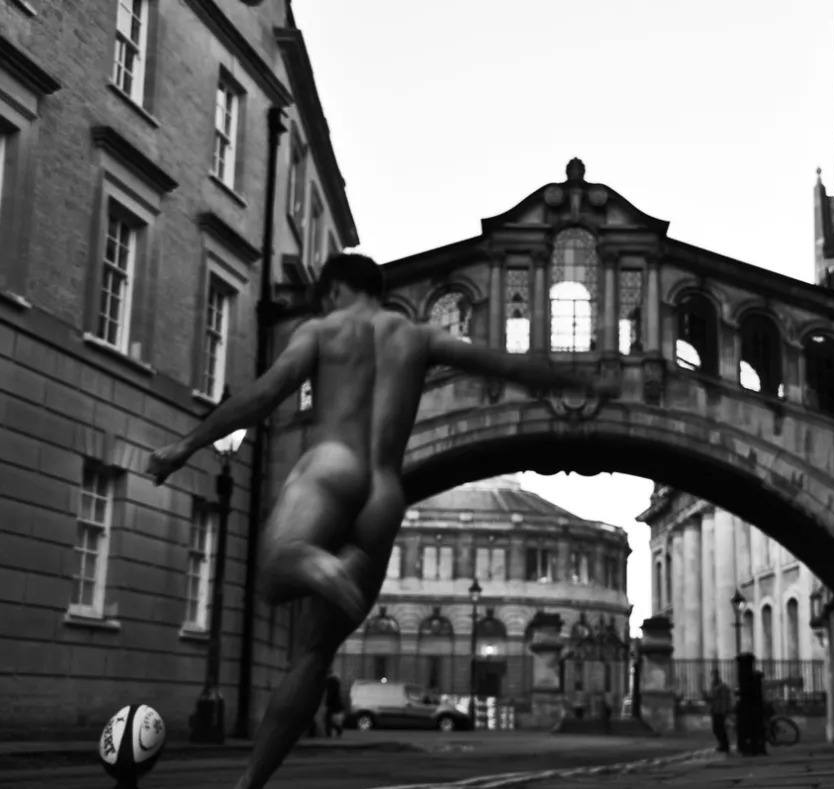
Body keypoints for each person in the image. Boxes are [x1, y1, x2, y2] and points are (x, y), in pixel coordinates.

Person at [145, 253, 612, 789]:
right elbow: (507, 365)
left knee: (274, 574)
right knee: (314, 654)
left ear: (333, 291)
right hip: (385, 492)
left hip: (333, 465)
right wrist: (581, 382)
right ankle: (250, 782)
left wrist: (185, 446)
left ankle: (319, 565)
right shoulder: (417, 335)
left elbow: (265, 393)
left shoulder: (322, 330)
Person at [705, 669, 733, 753]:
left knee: (720, 728)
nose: (713, 677)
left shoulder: (722, 687)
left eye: (715, 675)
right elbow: (711, 697)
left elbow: (725, 699)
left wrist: (724, 710)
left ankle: (725, 745)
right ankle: (722, 744)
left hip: (720, 710)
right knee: (716, 728)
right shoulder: (713, 686)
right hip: (715, 710)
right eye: (713, 675)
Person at [322, 673, 344, 737]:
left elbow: (330, 694)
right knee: (328, 719)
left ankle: (330, 732)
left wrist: (327, 703)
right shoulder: (334, 681)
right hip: (334, 703)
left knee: (327, 719)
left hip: (332, 704)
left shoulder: (330, 682)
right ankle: (336, 730)